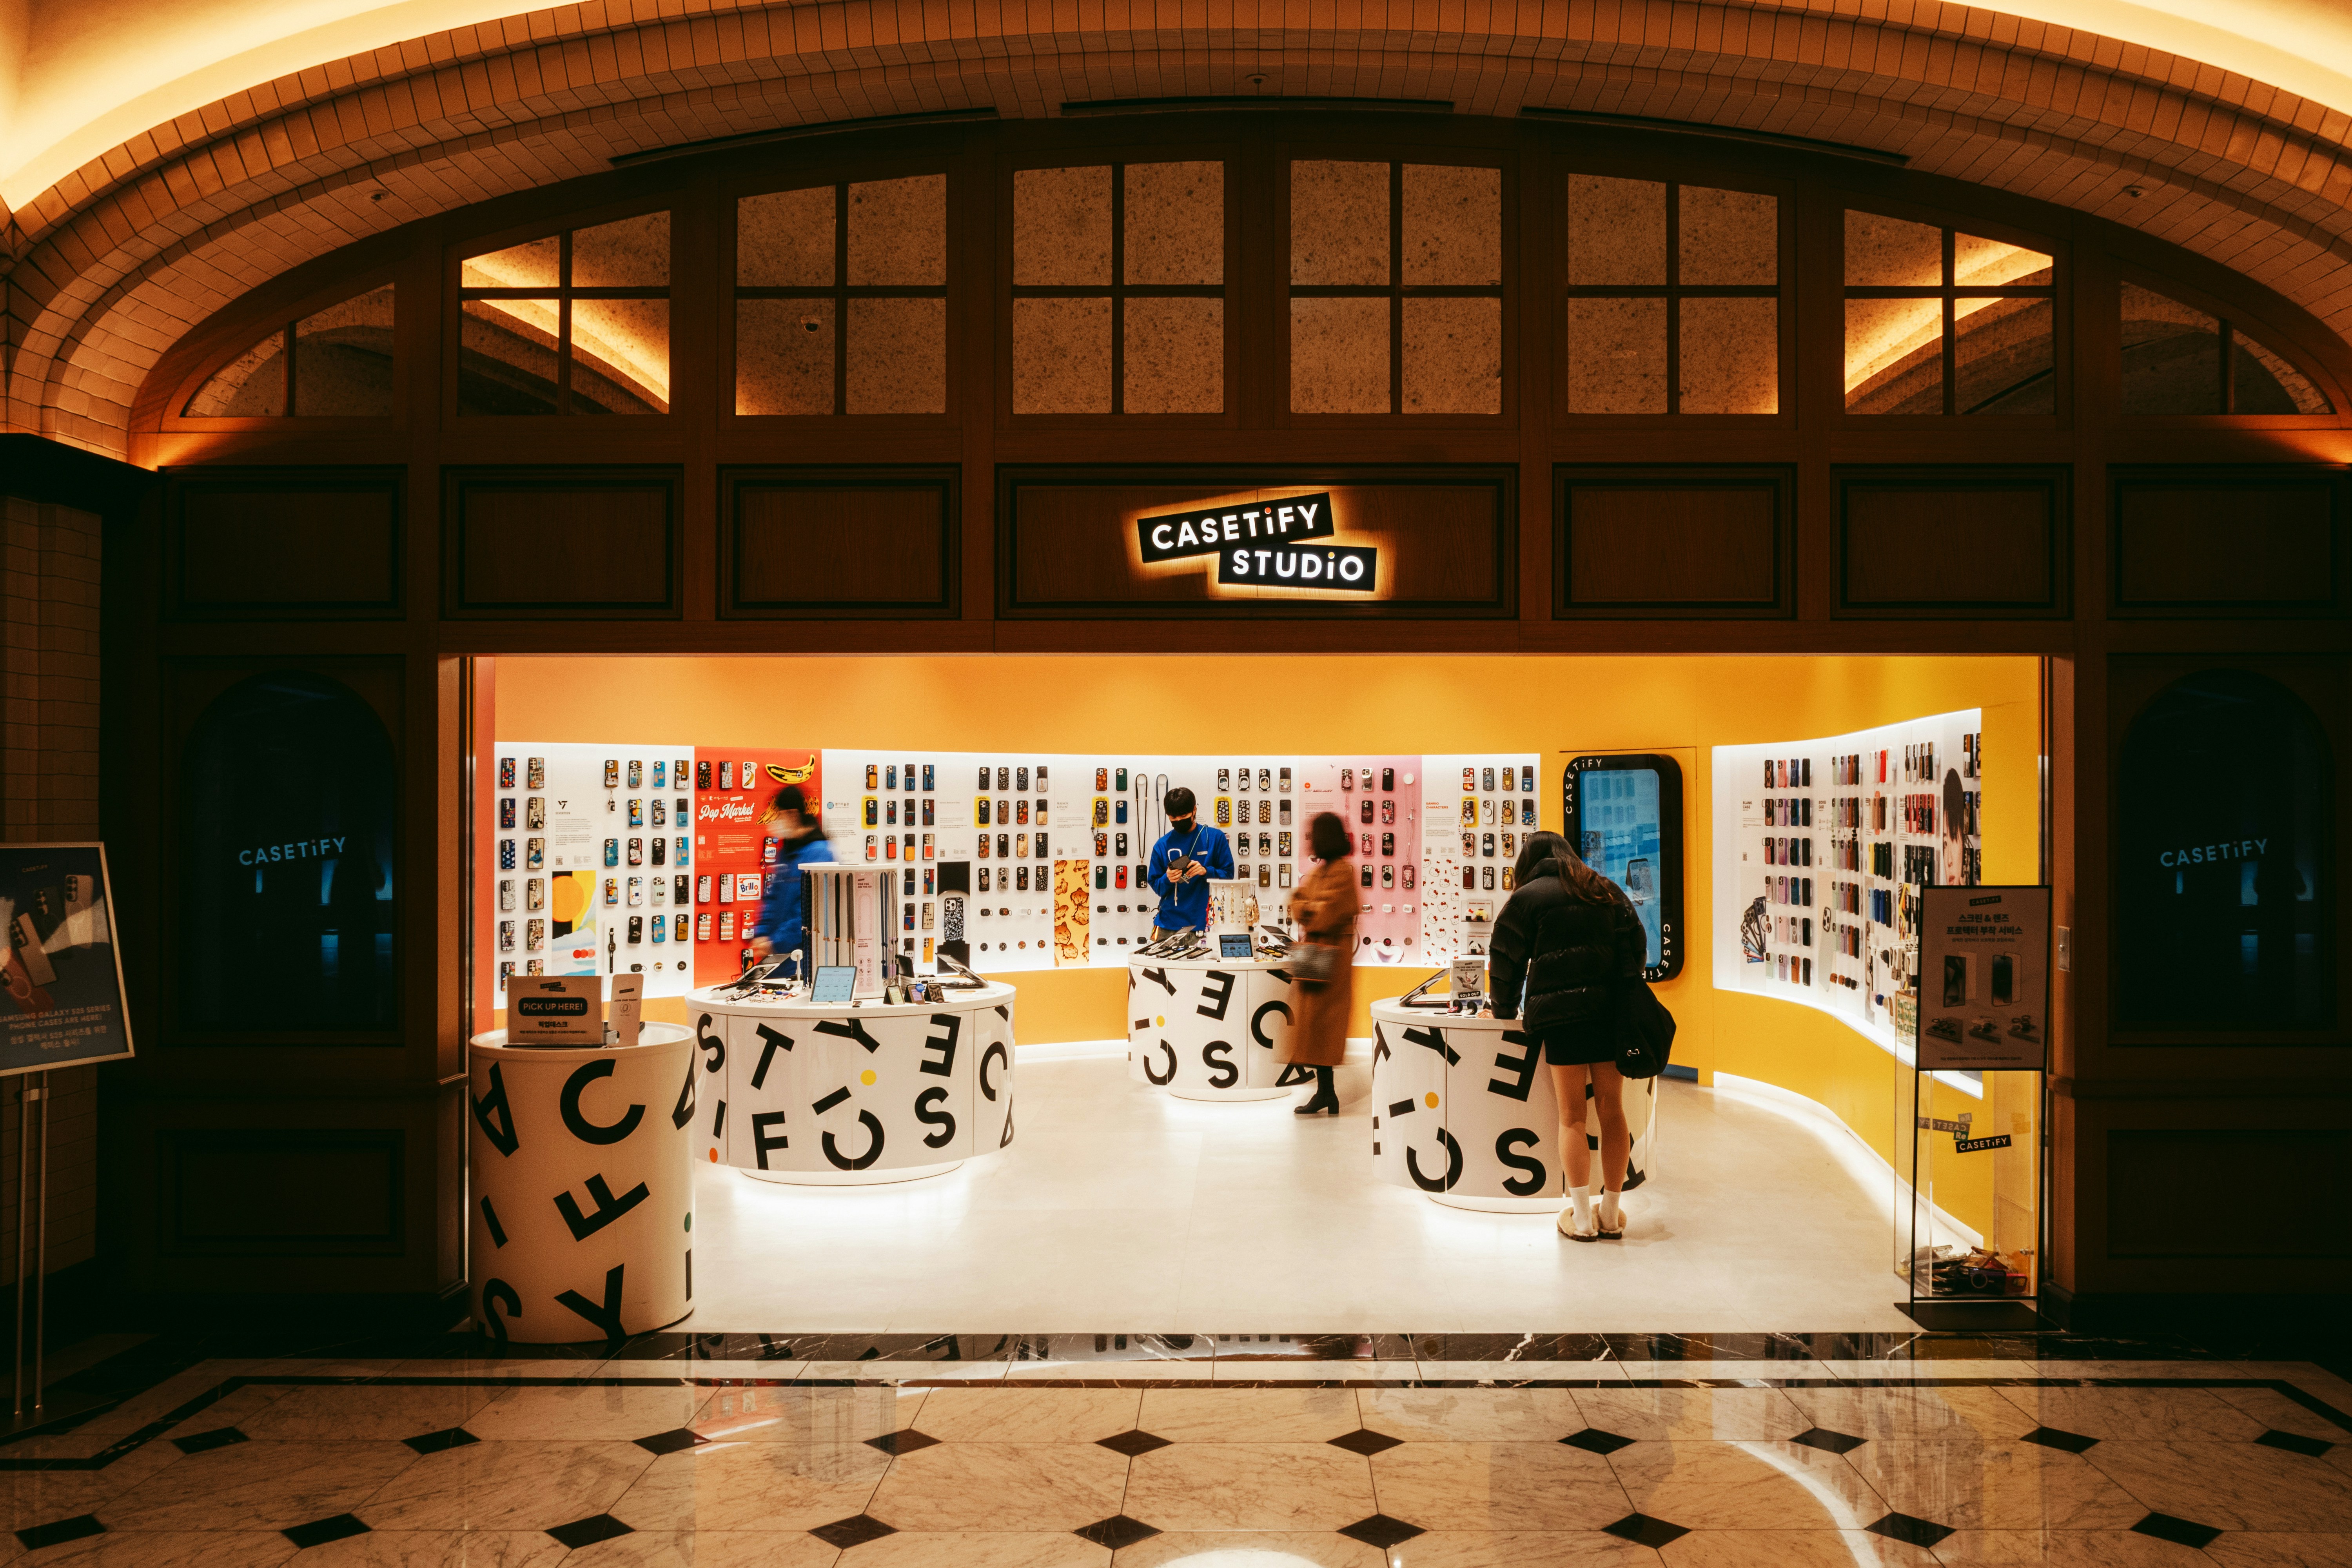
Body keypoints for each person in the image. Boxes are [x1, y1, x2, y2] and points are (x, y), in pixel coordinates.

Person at [1485, 830, 1648, 1242]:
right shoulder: (1604, 889)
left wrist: (1503, 1009)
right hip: (1610, 1015)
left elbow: (1504, 959)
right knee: (1613, 1110)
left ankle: (1579, 1217)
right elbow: (1638, 943)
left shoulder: (1526, 898)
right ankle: (1610, 1212)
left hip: (1561, 1019)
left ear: (1528, 863)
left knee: (1572, 1115)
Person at [1282, 811, 1358, 1115]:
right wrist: (1309, 908)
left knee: (1324, 1027)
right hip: (1316, 959)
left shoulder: (1342, 872)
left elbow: (1323, 913)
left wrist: (1309, 908)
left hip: (1330, 962)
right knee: (1313, 1028)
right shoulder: (1323, 872)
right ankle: (1326, 1093)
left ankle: (1327, 1093)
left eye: (1313, 835)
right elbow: (1298, 904)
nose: (1308, 841)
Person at [750, 784, 833, 978]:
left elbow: (810, 911)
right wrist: (761, 933)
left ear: (792, 815)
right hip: (777, 960)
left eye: (778, 815)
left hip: (803, 961)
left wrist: (776, 942)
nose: (775, 822)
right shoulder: (787, 852)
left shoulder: (819, 853)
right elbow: (771, 897)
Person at [1145, 786, 1233, 935]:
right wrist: (1168, 879)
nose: (1179, 820)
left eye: (1183, 815)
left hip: (1205, 924)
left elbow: (1229, 875)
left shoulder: (1214, 838)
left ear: (1194, 811)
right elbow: (1157, 887)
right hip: (1168, 925)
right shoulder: (1162, 845)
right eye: (1173, 818)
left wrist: (1206, 871)